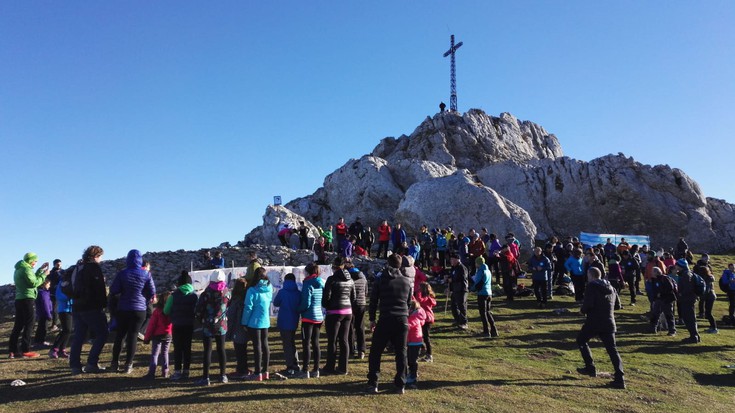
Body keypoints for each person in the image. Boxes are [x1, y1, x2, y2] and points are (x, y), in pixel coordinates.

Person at [366, 253, 413, 394]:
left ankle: (373, 382)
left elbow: (373, 301)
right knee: (401, 352)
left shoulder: (381, 280)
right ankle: (400, 384)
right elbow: (409, 302)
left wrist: (372, 318)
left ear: (388, 263)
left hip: (386, 317)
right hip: (402, 319)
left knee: (376, 351)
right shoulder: (407, 281)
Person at [576, 267, 625, 389]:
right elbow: (618, 305)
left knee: (581, 340)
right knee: (612, 350)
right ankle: (620, 378)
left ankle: (590, 367)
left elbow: (588, 303)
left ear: (591, 275)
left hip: (594, 321)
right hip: (609, 321)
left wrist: (582, 311)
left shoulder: (592, 286)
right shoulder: (611, 287)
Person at [109, 249, 156, 374]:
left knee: (120, 336)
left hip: (124, 308)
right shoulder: (146, 274)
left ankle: (114, 363)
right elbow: (152, 291)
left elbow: (114, 290)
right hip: (139, 309)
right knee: (133, 336)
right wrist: (144, 299)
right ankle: (128, 364)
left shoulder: (122, 273)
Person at [69, 246, 109, 374]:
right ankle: (92, 363)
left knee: (79, 336)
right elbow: (98, 289)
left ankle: (75, 365)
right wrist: (104, 304)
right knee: (102, 333)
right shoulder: (93, 267)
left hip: (76, 305)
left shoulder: (78, 267)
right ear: (97, 255)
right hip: (91, 306)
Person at [9, 253, 49, 359]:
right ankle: (25, 350)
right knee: (29, 324)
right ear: (31, 261)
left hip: (19, 299)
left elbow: (31, 278)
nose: (36, 263)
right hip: (28, 299)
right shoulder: (26, 270)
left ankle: (12, 350)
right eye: (35, 261)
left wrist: (40, 270)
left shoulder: (19, 268)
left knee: (18, 325)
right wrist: (44, 275)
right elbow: (33, 283)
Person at [194, 269, 231, 385]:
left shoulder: (206, 293)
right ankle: (223, 375)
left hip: (208, 324)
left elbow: (199, 309)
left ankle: (206, 377)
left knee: (207, 350)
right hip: (222, 324)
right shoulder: (227, 292)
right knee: (221, 349)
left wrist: (200, 319)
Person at [322, 257, 356, 375]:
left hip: (334, 311)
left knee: (332, 340)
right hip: (348, 311)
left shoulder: (331, 279)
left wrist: (326, 306)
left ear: (334, 267)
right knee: (344, 340)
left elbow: (326, 296)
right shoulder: (350, 279)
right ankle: (343, 367)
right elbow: (354, 297)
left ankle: (330, 366)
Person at [164, 271, 198, 381]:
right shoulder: (194, 296)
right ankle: (186, 371)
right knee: (187, 348)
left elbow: (166, 311)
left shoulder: (173, 296)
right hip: (189, 324)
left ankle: (178, 371)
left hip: (177, 324)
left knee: (178, 348)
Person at [241, 267, 273, 381]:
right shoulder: (269, 287)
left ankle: (258, 372)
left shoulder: (252, 290)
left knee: (257, 347)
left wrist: (244, 322)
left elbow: (248, 308)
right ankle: (265, 371)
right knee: (265, 345)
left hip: (254, 322)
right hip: (265, 320)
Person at [297, 262, 325, 378]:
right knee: (316, 343)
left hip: (308, 316)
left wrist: (299, 309)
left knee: (306, 343)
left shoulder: (307, 283)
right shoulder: (321, 282)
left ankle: (305, 369)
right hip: (319, 316)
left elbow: (306, 302)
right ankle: (316, 369)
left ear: (307, 272)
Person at [273, 273, 301, 376]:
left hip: (284, 321)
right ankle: (296, 363)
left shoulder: (282, 292)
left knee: (287, 344)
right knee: (292, 342)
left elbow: (276, 303)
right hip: (294, 320)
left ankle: (290, 366)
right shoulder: (298, 293)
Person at [143, 291, 173, 379]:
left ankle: (151, 372)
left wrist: (147, 338)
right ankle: (165, 372)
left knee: (155, 354)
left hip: (157, 335)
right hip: (168, 334)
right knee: (165, 353)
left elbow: (151, 325)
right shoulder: (171, 311)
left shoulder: (157, 312)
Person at [226, 278, 249, 379]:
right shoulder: (246, 298)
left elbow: (231, 315)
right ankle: (244, 368)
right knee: (243, 348)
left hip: (237, 326)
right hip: (245, 326)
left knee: (239, 349)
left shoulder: (236, 300)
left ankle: (241, 369)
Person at [675, 259, 701, 344]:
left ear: (681, 266)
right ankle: (695, 335)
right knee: (691, 317)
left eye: (677, 265)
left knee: (688, 318)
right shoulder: (688, 273)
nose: (676, 266)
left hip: (687, 299)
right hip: (690, 298)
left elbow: (687, 288)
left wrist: (681, 294)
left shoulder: (686, 275)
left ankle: (693, 337)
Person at [49, 270, 73, 359]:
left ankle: (62, 349)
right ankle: (54, 349)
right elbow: (59, 296)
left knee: (68, 330)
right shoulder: (62, 283)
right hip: (64, 309)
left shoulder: (71, 283)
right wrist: (70, 297)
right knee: (66, 330)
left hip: (70, 309)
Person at [347, 260, 368, 359]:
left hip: (351, 304)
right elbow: (366, 292)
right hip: (362, 304)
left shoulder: (349, 280)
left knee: (350, 327)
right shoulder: (363, 279)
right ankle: (361, 350)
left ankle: (351, 349)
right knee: (360, 327)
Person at [472, 256, 497, 338]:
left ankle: (486, 331)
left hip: (482, 293)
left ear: (478, 263)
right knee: (488, 312)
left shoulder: (480, 271)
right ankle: (494, 330)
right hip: (489, 293)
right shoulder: (488, 270)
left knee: (483, 313)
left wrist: (471, 289)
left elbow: (477, 282)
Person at [649, 267, 677, 336]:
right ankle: (653, 328)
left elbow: (670, 288)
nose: (651, 273)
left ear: (656, 272)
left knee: (668, 315)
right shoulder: (654, 280)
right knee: (655, 314)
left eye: (652, 272)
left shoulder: (664, 278)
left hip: (667, 299)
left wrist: (661, 293)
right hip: (658, 300)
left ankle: (672, 330)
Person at [406, 299, 427, 389]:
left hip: (414, 342)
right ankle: (412, 372)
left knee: (412, 360)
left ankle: (413, 376)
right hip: (412, 342)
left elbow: (409, 326)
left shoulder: (414, 317)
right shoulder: (414, 316)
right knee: (410, 359)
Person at [447, 253, 469, 329]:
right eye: (450, 259)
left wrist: (452, 279)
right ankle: (457, 320)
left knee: (461, 306)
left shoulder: (462, 268)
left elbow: (462, 278)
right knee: (453, 306)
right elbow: (452, 276)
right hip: (455, 289)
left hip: (462, 289)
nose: (451, 261)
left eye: (452, 259)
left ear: (457, 260)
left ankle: (464, 322)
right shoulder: (454, 268)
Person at [416, 282, 437, 362]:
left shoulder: (426, 298)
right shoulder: (428, 298)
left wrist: (418, 292)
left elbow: (419, 300)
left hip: (426, 318)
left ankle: (429, 354)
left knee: (426, 337)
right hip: (424, 318)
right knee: (421, 335)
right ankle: (423, 349)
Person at [33, 276, 53, 348]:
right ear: (44, 284)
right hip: (44, 313)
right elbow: (45, 305)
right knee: (43, 328)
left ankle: (37, 341)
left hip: (42, 313)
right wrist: (48, 314)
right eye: (48, 284)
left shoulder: (44, 293)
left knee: (41, 327)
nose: (49, 286)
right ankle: (40, 341)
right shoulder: (43, 293)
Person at [48, 259, 64, 331]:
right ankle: (54, 324)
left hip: (63, 292)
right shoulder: (51, 273)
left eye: (60, 264)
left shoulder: (63, 271)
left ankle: (62, 324)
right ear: (54, 264)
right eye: (57, 264)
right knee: (55, 309)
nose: (59, 265)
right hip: (54, 293)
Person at [701, 267, 718, 334]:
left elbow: (706, 290)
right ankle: (712, 326)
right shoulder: (709, 278)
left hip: (709, 297)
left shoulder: (706, 279)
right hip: (710, 296)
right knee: (708, 312)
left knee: (708, 313)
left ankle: (714, 328)